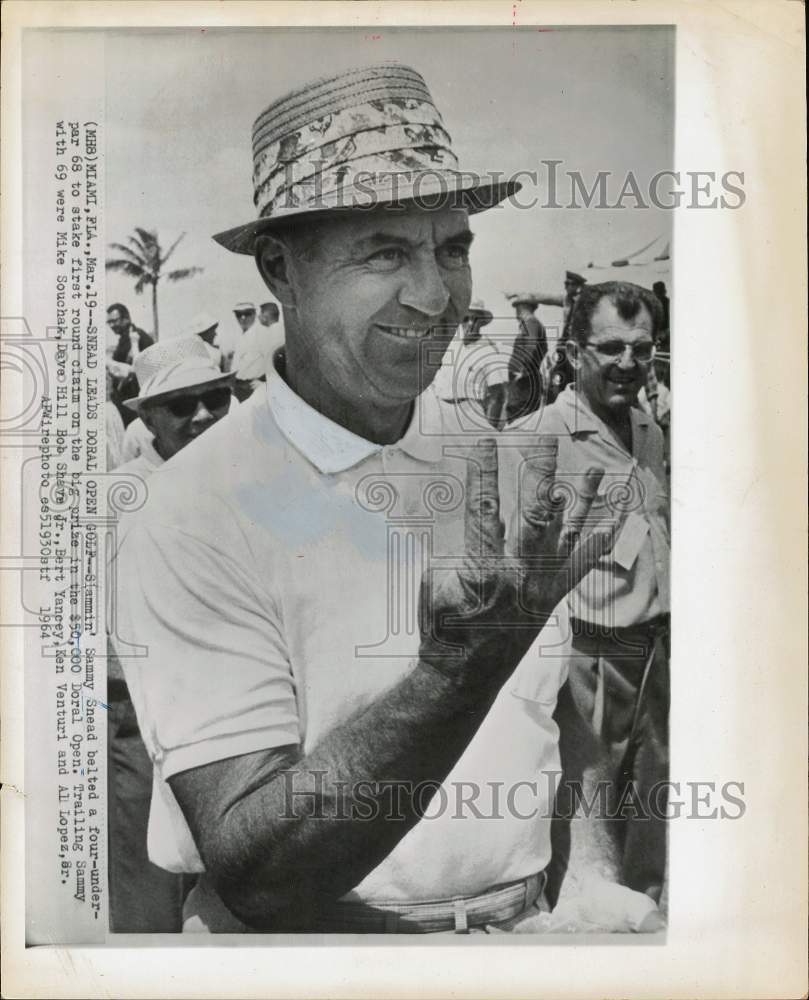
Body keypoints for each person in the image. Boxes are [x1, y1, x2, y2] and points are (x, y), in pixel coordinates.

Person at [114, 62, 657, 935]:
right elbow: (258, 871)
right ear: (280, 271)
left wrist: (587, 871)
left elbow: (555, 708)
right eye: (384, 252)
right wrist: (461, 664)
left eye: (451, 247)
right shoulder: (190, 513)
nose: (435, 296)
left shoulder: (493, 460)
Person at [533, 281, 670, 903]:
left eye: (643, 350)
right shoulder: (541, 436)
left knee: (652, 810)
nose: (628, 364)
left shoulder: (649, 429)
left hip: (656, 653)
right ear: (573, 348)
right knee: (587, 826)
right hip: (588, 659)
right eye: (611, 347)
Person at [107, 336, 234, 933]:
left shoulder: (254, 482)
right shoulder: (119, 499)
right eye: (183, 405)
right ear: (147, 415)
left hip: (239, 719)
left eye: (215, 398)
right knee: (149, 894)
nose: (204, 416)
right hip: (144, 720)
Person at [432, 299, 511, 429]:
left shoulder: (489, 351)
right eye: (466, 318)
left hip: (469, 415)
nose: (470, 323)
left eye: (475, 319)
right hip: (441, 413)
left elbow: (498, 394)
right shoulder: (448, 345)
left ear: (481, 323)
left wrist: (489, 430)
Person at [107, 303, 155, 424]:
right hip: (125, 400)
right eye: (109, 322)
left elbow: (149, 368)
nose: (111, 325)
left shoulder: (138, 337)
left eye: (114, 321)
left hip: (137, 400)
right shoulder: (124, 338)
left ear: (126, 319)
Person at [504, 294, 547, 423]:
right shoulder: (530, 324)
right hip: (525, 381)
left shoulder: (531, 323)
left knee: (518, 418)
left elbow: (531, 347)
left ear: (523, 307)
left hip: (524, 382)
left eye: (517, 307)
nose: (516, 311)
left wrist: (522, 372)